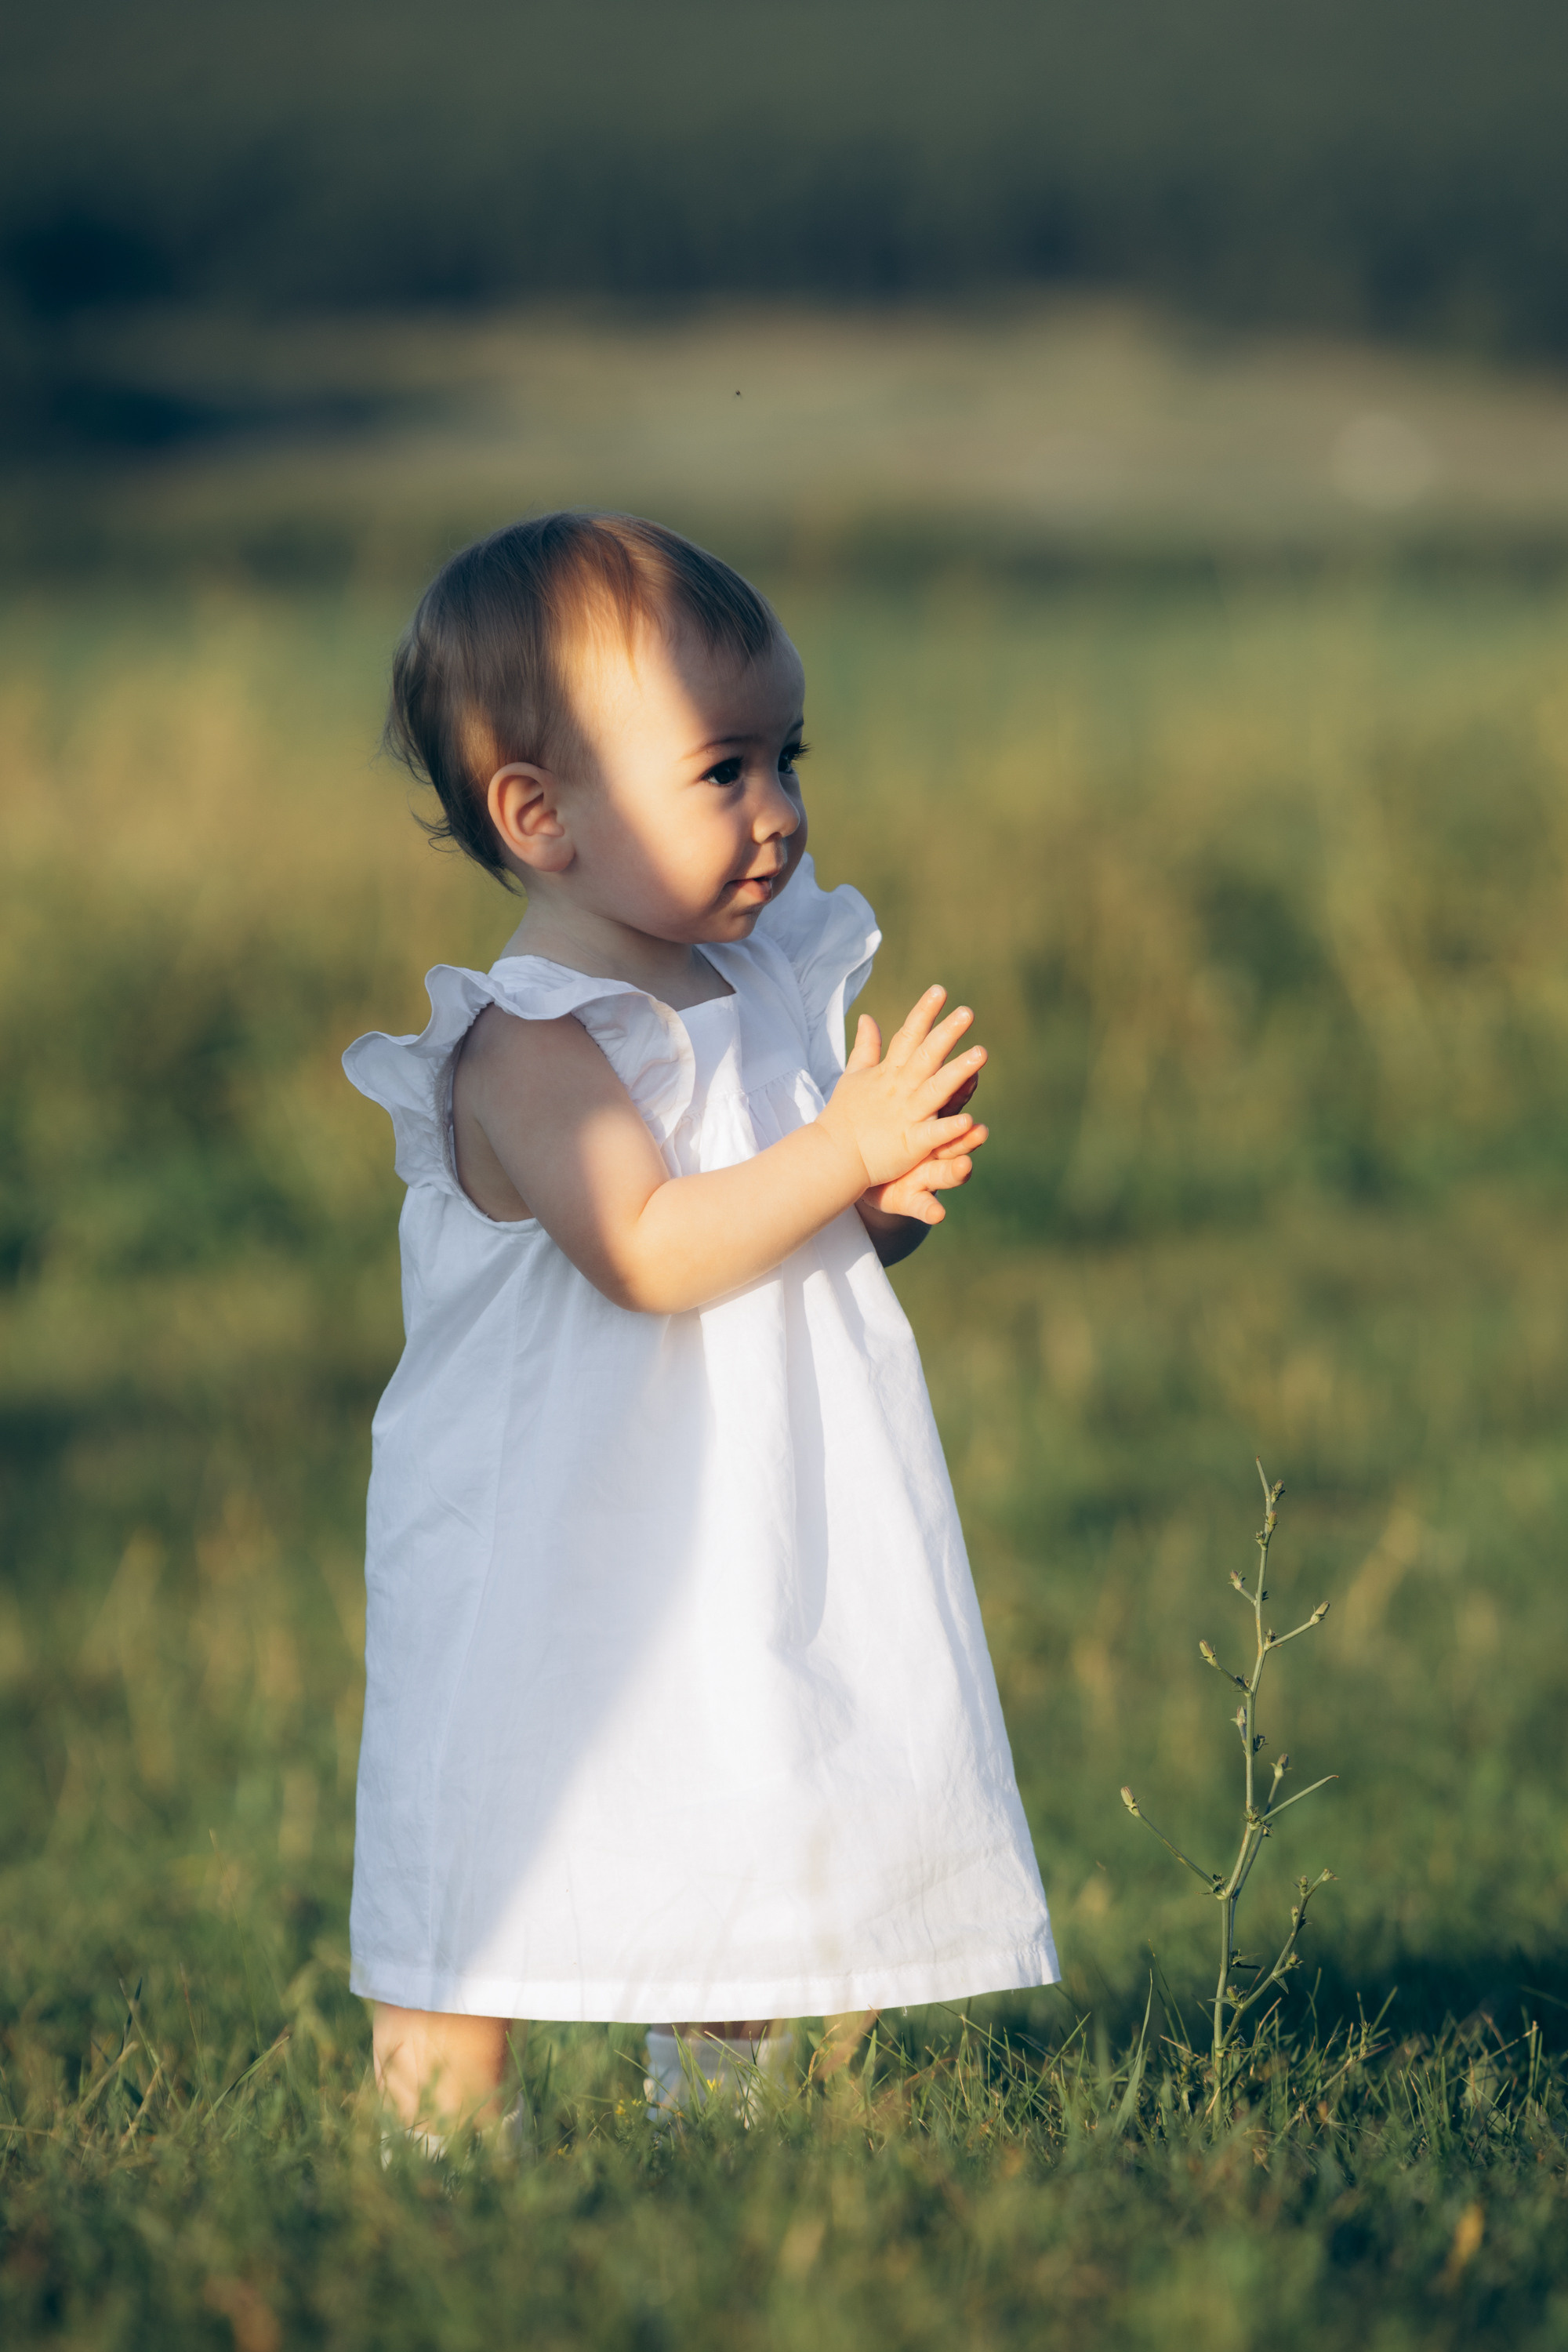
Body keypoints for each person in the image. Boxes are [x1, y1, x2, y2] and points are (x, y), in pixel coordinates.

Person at [344, 511, 1058, 2147]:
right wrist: (837, 1154)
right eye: (722, 768)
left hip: (724, 1513)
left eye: (786, 754)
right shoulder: (534, 1043)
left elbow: (772, 1252)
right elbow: (651, 1252)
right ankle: (435, 2149)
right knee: (486, 1843)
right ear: (545, 817)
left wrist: (876, 1207)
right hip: (546, 1537)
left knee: (744, 1781)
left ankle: (727, 2136)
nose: (783, 810)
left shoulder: (747, 988)